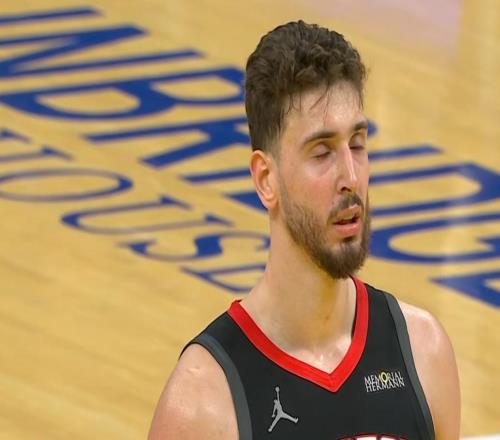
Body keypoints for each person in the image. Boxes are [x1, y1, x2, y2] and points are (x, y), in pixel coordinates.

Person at [148, 20, 460, 439]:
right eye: (322, 152)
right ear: (266, 179)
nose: (351, 177)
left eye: (357, 144)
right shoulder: (203, 404)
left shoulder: (424, 353)